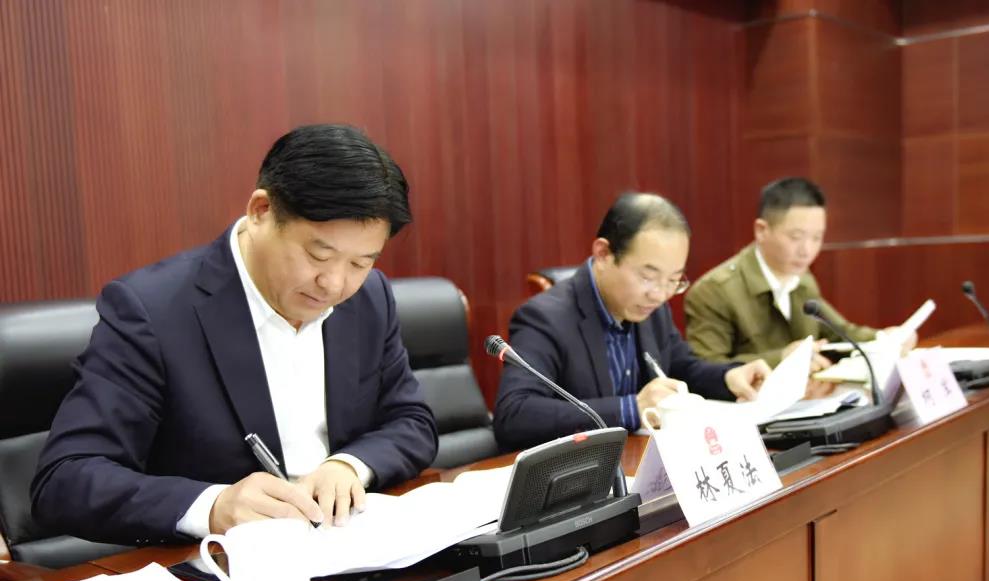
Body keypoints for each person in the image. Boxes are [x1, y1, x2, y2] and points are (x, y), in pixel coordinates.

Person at [32, 124, 438, 546]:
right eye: (318, 255)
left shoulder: (369, 297)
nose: (334, 284)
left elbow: (412, 422)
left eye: (360, 263)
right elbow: (65, 479)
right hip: (217, 564)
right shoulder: (152, 311)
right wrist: (214, 506)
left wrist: (349, 465)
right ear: (261, 210)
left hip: (345, 550)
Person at [493, 192, 770, 450]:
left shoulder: (651, 308)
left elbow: (681, 368)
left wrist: (728, 377)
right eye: (648, 277)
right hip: (580, 473)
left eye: (673, 280)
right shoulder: (545, 318)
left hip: (638, 463)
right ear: (603, 254)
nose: (660, 294)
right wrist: (631, 409)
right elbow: (514, 415)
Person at [685, 177, 915, 373]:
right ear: (761, 230)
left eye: (816, 238)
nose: (807, 250)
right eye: (796, 237)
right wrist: (782, 358)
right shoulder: (714, 291)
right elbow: (705, 369)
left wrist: (884, 338)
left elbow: (838, 333)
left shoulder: (802, 278)